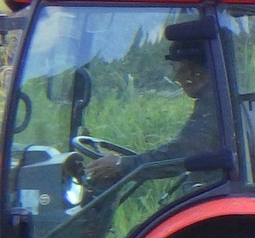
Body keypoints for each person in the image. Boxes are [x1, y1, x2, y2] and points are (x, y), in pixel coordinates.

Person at [84, 45, 221, 187]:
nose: (175, 76)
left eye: (175, 67)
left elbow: (181, 153)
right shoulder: (220, 98)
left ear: (189, 71)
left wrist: (121, 165)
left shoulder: (215, 103)